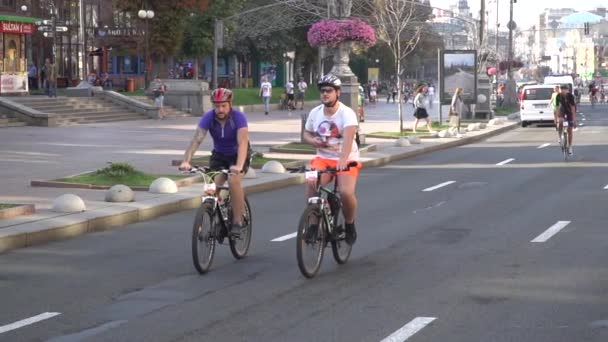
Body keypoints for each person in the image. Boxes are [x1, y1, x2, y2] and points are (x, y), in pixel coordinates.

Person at [179, 88, 251, 237]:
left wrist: (238, 166)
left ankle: (238, 220)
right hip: (219, 155)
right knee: (211, 187)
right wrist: (186, 161)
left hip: (238, 154)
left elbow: (242, 142)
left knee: (233, 181)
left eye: (223, 105)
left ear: (230, 104)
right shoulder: (209, 117)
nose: (220, 109)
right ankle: (213, 215)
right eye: (217, 106)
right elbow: (197, 139)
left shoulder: (238, 117)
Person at [303, 74, 361, 245]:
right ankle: (313, 225)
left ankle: (349, 224)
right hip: (323, 157)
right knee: (312, 182)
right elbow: (306, 133)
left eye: (329, 91)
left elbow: (349, 139)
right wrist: (312, 140)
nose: (325, 94)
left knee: (345, 192)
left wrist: (343, 160)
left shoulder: (347, 113)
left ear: (338, 93)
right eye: (322, 91)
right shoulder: (315, 113)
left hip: (347, 158)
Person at [555, 84, 577, 155]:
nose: (563, 91)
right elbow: (557, 107)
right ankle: (560, 136)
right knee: (560, 122)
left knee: (569, 130)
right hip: (562, 111)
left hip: (569, 112)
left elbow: (573, 108)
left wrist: (574, 119)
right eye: (561, 89)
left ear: (567, 90)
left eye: (564, 89)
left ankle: (570, 147)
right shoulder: (558, 96)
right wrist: (558, 117)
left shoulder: (570, 96)